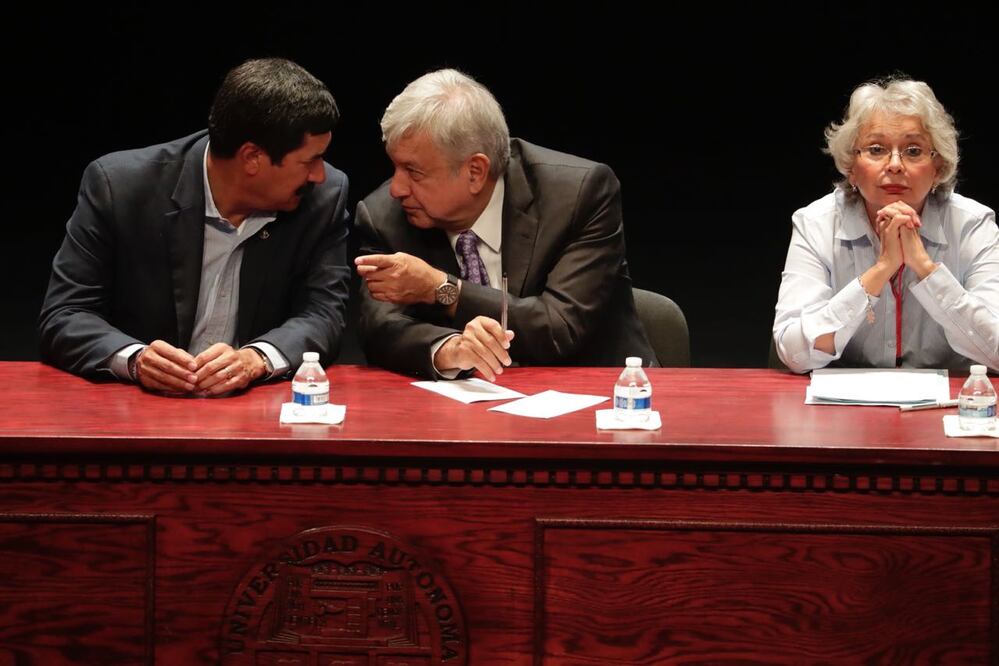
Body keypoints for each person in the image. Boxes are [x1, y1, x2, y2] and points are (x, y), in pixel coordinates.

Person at [38, 58, 350, 395]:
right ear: (251, 158)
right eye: (309, 161)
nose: (319, 175)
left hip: (257, 413)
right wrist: (136, 360)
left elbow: (323, 314)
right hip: (138, 413)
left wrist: (256, 359)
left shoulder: (324, 198)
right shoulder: (120, 188)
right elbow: (65, 314)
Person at [354, 68, 653, 380]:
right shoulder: (385, 216)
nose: (396, 188)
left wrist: (443, 290)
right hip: (468, 408)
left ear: (475, 171)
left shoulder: (578, 196)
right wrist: (450, 348)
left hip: (602, 393)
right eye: (395, 166)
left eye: (413, 172)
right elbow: (379, 328)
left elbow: (559, 327)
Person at [773, 78, 999, 373]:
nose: (894, 164)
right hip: (842, 410)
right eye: (877, 149)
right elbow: (793, 352)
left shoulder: (972, 225)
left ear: (938, 168)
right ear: (851, 168)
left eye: (913, 151)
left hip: (946, 411)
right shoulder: (816, 223)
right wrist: (881, 271)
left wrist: (924, 268)